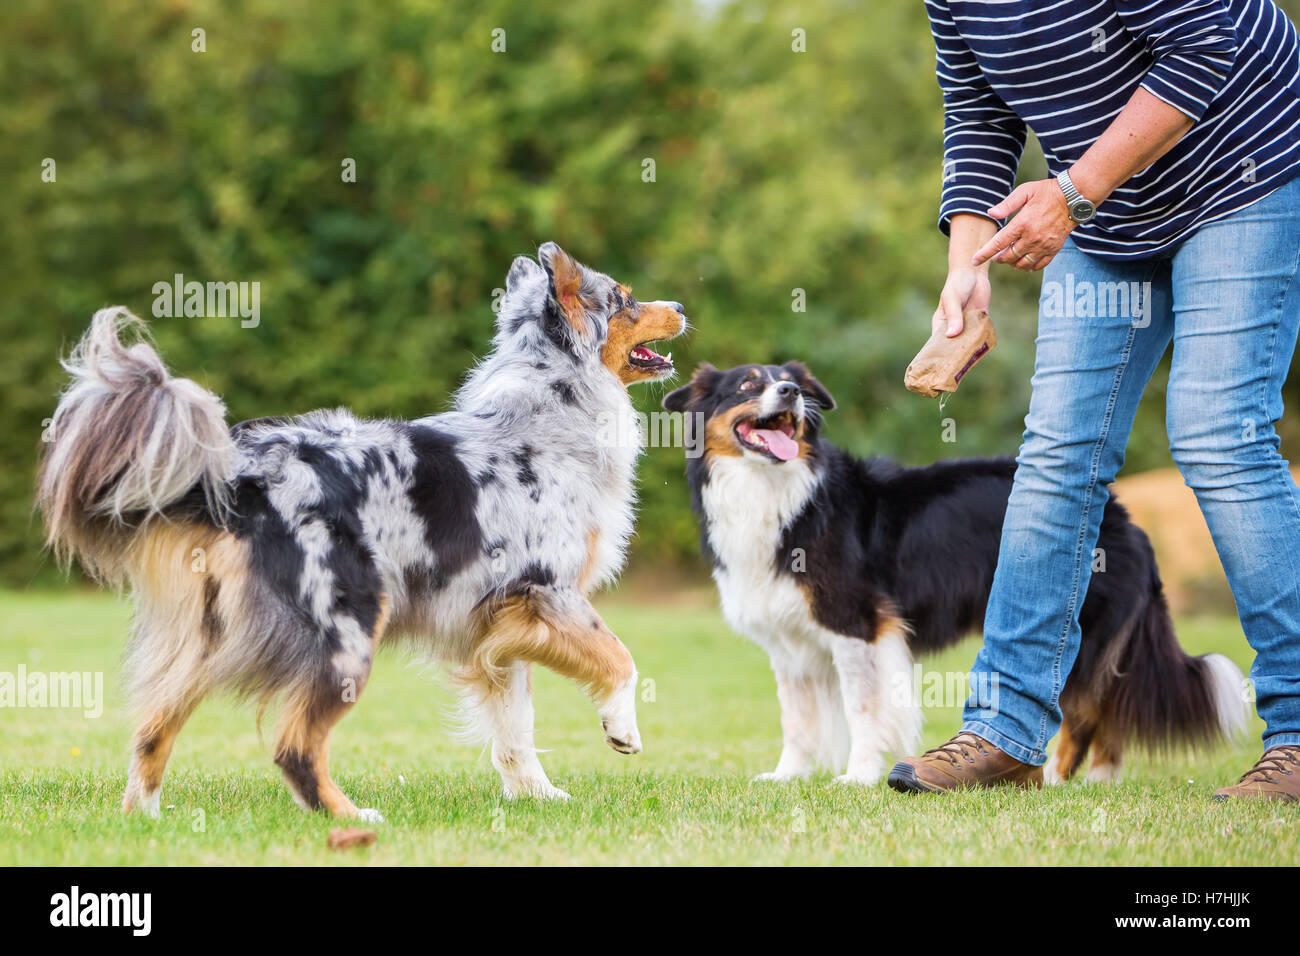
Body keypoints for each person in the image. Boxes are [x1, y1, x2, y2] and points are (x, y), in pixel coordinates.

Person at [889, 0, 1300, 800]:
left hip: (1242, 170)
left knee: (1218, 433)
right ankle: (1004, 733)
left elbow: (1207, 40)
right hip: (1105, 215)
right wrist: (965, 267)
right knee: (1055, 458)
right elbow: (977, 108)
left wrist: (1074, 191)